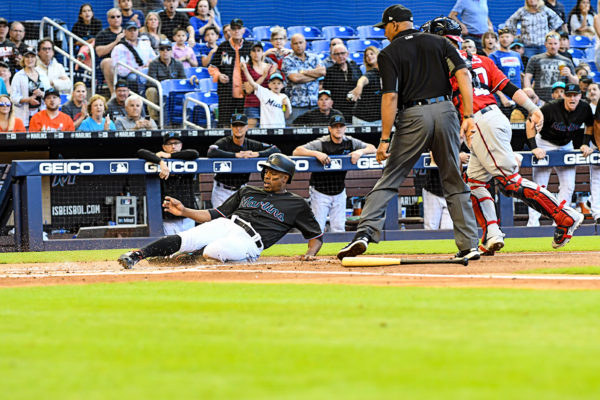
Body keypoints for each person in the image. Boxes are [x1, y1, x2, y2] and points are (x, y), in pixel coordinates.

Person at [425, 16, 585, 252]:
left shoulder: (440, 65)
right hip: (494, 118)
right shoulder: (480, 59)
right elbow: (509, 88)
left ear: (442, 39)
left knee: (509, 183)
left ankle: (564, 215)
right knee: (476, 182)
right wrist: (532, 109)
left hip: (480, 121)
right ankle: (491, 233)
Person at [337, 5, 479, 261]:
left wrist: (384, 139)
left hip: (413, 115)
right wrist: (467, 116)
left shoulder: (389, 52)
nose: (385, 34)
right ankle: (469, 244)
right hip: (447, 111)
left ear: (393, 25)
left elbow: (390, 97)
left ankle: (364, 234)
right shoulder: (440, 42)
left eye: (385, 28)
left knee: (390, 177)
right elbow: (463, 73)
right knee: (453, 178)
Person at [117, 153, 323, 268]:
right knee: (184, 238)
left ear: (286, 178)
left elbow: (316, 235)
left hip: (250, 241)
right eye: (266, 172)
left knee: (213, 251)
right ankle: (136, 255)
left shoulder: (297, 204)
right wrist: (185, 211)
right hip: (226, 225)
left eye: (273, 174)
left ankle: (194, 256)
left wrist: (311, 253)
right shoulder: (248, 190)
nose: (267, 176)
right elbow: (214, 215)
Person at [293, 115, 376, 233]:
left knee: (339, 228)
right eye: (335, 126)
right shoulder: (322, 143)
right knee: (318, 228)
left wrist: (360, 151)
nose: (338, 129)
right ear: (329, 129)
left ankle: (336, 251)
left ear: (345, 128)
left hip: (339, 191)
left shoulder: (350, 142)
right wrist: (316, 154)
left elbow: (373, 148)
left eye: (341, 126)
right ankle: (317, 251)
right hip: (320, 191)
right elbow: (297, 151)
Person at [527, 83, 594, 227]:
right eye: (569, 95)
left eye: (575, 95)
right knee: (540, 187)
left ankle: (560, 223)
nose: (572, 98)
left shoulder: (584, 108)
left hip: (566, 145)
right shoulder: (551, 108)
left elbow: (590, 124)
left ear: (580, 96)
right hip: (544, 143)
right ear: (564, 96)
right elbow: (530, 122)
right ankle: (532, 224)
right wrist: (534, 148)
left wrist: (585, 143)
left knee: (568, 186)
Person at [207, 113, 280, 207]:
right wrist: (235, 155)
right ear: (231, 127)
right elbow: (211, 152)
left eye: (241, 125)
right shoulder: (224, 142)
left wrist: (257, 154)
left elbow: (275, 149)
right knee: (221, 220)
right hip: (222, 190)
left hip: (241, 190)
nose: (238, 128)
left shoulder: (251, 144)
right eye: (235, 125)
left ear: (247, 127)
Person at [137, 131, 199, 235]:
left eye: (176, 143)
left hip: (187, 216)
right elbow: (141, 152)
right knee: (172, 249)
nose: (173, 146)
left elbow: (194, 153)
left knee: (190, 249)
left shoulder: (187, 157)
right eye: (169, 144)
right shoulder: (158, 162)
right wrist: (160, 161)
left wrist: (169, 156)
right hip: (168, 219)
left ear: (181, 145)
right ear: (164, 147)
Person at [209, 18, 252, 127]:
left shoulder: (250, 47)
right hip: (226, 93)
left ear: (243, 30)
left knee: (246, 124)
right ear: (230, 31)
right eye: (234, 29)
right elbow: (212, 67)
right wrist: (218, 75)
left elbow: (257, 67)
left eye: (239, 28)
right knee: (224, 124)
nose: (236, 31)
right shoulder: (223, 47)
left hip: (246, 93)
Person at [281, 34, 326, 125]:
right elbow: (295, 78)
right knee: (294, 133)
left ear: (305, 43)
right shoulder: (288, 60)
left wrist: (302, 72)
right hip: (296, 106)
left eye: (301, 42)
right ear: (291, 46)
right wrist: (315, 74)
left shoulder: (314, 57)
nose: (299, 45)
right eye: (295, 43)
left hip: (314, 104)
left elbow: (322, 72)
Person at [523, 31, 577, 103]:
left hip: (560, 100)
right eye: (550, 44)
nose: (553, 46)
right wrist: (529, 90)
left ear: (559, 44)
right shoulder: (535, 59)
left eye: (555, 43)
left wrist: (569, 75)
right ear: (545, 44)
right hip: (539, 99)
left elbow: (576, 83)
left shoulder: (567, 61)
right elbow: (527, 77)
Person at [146, 40, 186, 123]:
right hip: (159, 90)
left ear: (172, 51)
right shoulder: (153, 64)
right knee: (150, 91)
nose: (165, 51)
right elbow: (151, 82)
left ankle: (183, 119)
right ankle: (155, 120)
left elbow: (183, 80)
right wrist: (164, 87)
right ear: (159, 51)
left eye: (168, 49)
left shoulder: (178, 64)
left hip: (174, 91)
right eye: (162, 49)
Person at [111, 21, 156, 94]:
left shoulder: (145, 44)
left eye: (134, 30)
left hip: (147, 72)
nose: (132, 32)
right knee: (133, 78)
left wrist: (150, 62)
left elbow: (155, 59)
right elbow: (119, 70)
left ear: (138, 31)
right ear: (125, 32)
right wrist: (134, 70)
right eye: (130, 30)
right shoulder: (119, 48)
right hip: (131, 75)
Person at [11, 46, 51, 128]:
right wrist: (28, 100)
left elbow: (50, 94)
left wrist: (42, 94)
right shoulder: (18, 76)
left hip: (41, 114)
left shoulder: (42, 75)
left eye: (32, 57)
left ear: (36, 58)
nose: (30, 60)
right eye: (27, 57)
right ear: (23, 59)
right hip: (23, 116)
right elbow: (13, 97)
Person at [489, 28, 525, 117]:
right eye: (502, 37)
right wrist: (502, 97)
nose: (504, 39)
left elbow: (521, 75)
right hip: (501, 99)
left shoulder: (516, 55)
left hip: (517, 96)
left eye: (507, 36)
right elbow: (492, 79)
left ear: (512, 38)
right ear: (499, 39)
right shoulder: (493, 56)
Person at [240, 41, 277, 128]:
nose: (256, 53)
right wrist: (263, 76)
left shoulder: (270, 67)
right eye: (253, 51)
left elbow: (273, 87)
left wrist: (254, 84)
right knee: (250, 132)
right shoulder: (246, 68)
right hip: (252, 104)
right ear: (250, 53)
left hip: (268, 104)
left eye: (258, 50)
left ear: (262, 52)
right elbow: (249, 90)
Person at [322, 43, 362, 121]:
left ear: (347, 54)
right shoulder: (330, 71)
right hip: (338, 109)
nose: (340, 56)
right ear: (333, 56)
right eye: (337, 54)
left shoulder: (355, 68)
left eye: (342, 53)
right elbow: (328, 90)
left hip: (355, 108)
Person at [95, 8, 125, 96]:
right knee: (108, 62)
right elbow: (99, 52)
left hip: (126, 63)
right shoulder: (102, 34)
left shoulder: (128, 32)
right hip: (110, 64)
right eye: (113, 17)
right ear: (108, 19)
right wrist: (116, 42)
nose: (116, 19)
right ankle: (114, 93)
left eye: (118, 16)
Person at [349, 46, 382, 126]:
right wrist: (359, 87)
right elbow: (363, 79)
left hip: (379, 118)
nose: (369, 56)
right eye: (367, 55)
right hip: (362, 119)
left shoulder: (386, 73)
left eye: (371, 54)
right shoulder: (371, 73)